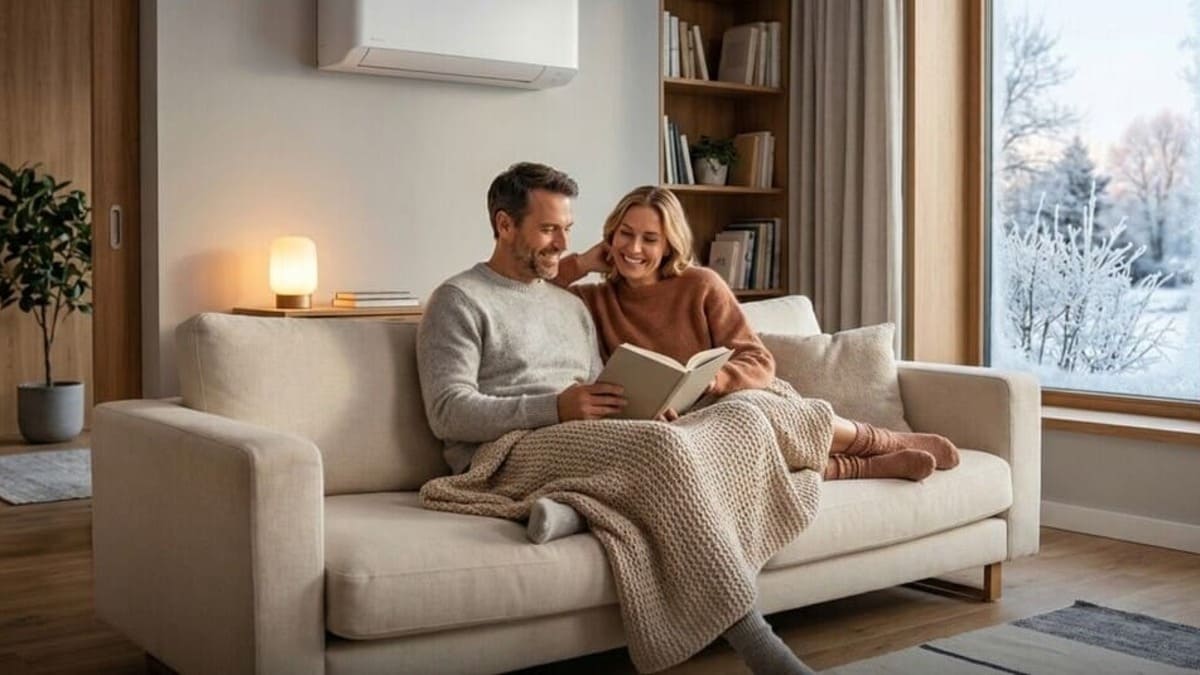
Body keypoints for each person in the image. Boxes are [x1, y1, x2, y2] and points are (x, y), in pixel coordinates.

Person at [418, 164, 820, 675]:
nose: (563, 243)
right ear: (504, 225)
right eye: (548, 229)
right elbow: (446, 413)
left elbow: (598, 387)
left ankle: (574, 507)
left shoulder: (571, 305)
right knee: (660, 448)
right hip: (505, 450)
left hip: (583, 437)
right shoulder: (457, 300)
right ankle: (756, 641)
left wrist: (645, 406)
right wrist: (558, 408)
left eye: (567, 228)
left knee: (725, 424)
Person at [533, 185, 961, 543]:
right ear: (610, 237)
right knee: (694, 456)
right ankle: (858, 468)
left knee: (750, 411)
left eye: (650, 239)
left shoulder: (700, 284)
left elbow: (758, 358)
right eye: (625, 235)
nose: (634, 249)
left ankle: (880, 443)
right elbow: (530, 291)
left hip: (732, 396)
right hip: (672, 421)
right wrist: (585, 262)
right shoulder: (593, 299)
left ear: (669, 245)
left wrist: (716, 380)